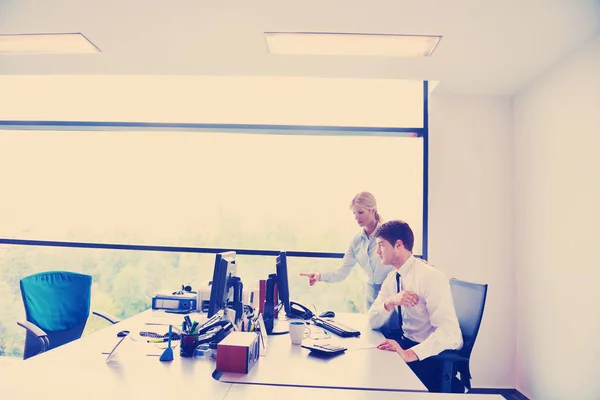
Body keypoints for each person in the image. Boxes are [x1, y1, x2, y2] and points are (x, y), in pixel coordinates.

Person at [367, 220, 464, 393]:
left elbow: (451, 334)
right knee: (371, 368)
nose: (377, 251)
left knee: (378, 385)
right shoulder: (392, 278)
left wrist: (409, 354)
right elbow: (372, 321)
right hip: (407, 344)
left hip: (429, 356)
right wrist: (390, 302)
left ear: (398, 244)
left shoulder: (429, 277)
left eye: (381, 245)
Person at [300, 192, 393, 309]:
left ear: (373, 211)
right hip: (370, 295)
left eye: (360, 212)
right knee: (372, 327)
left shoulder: (389, 234)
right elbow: (342, 272)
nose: (356, 217)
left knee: (392, 327)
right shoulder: (356, 241)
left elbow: (402, 260)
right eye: (354, 213)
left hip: (391, 294)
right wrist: (319, 276)